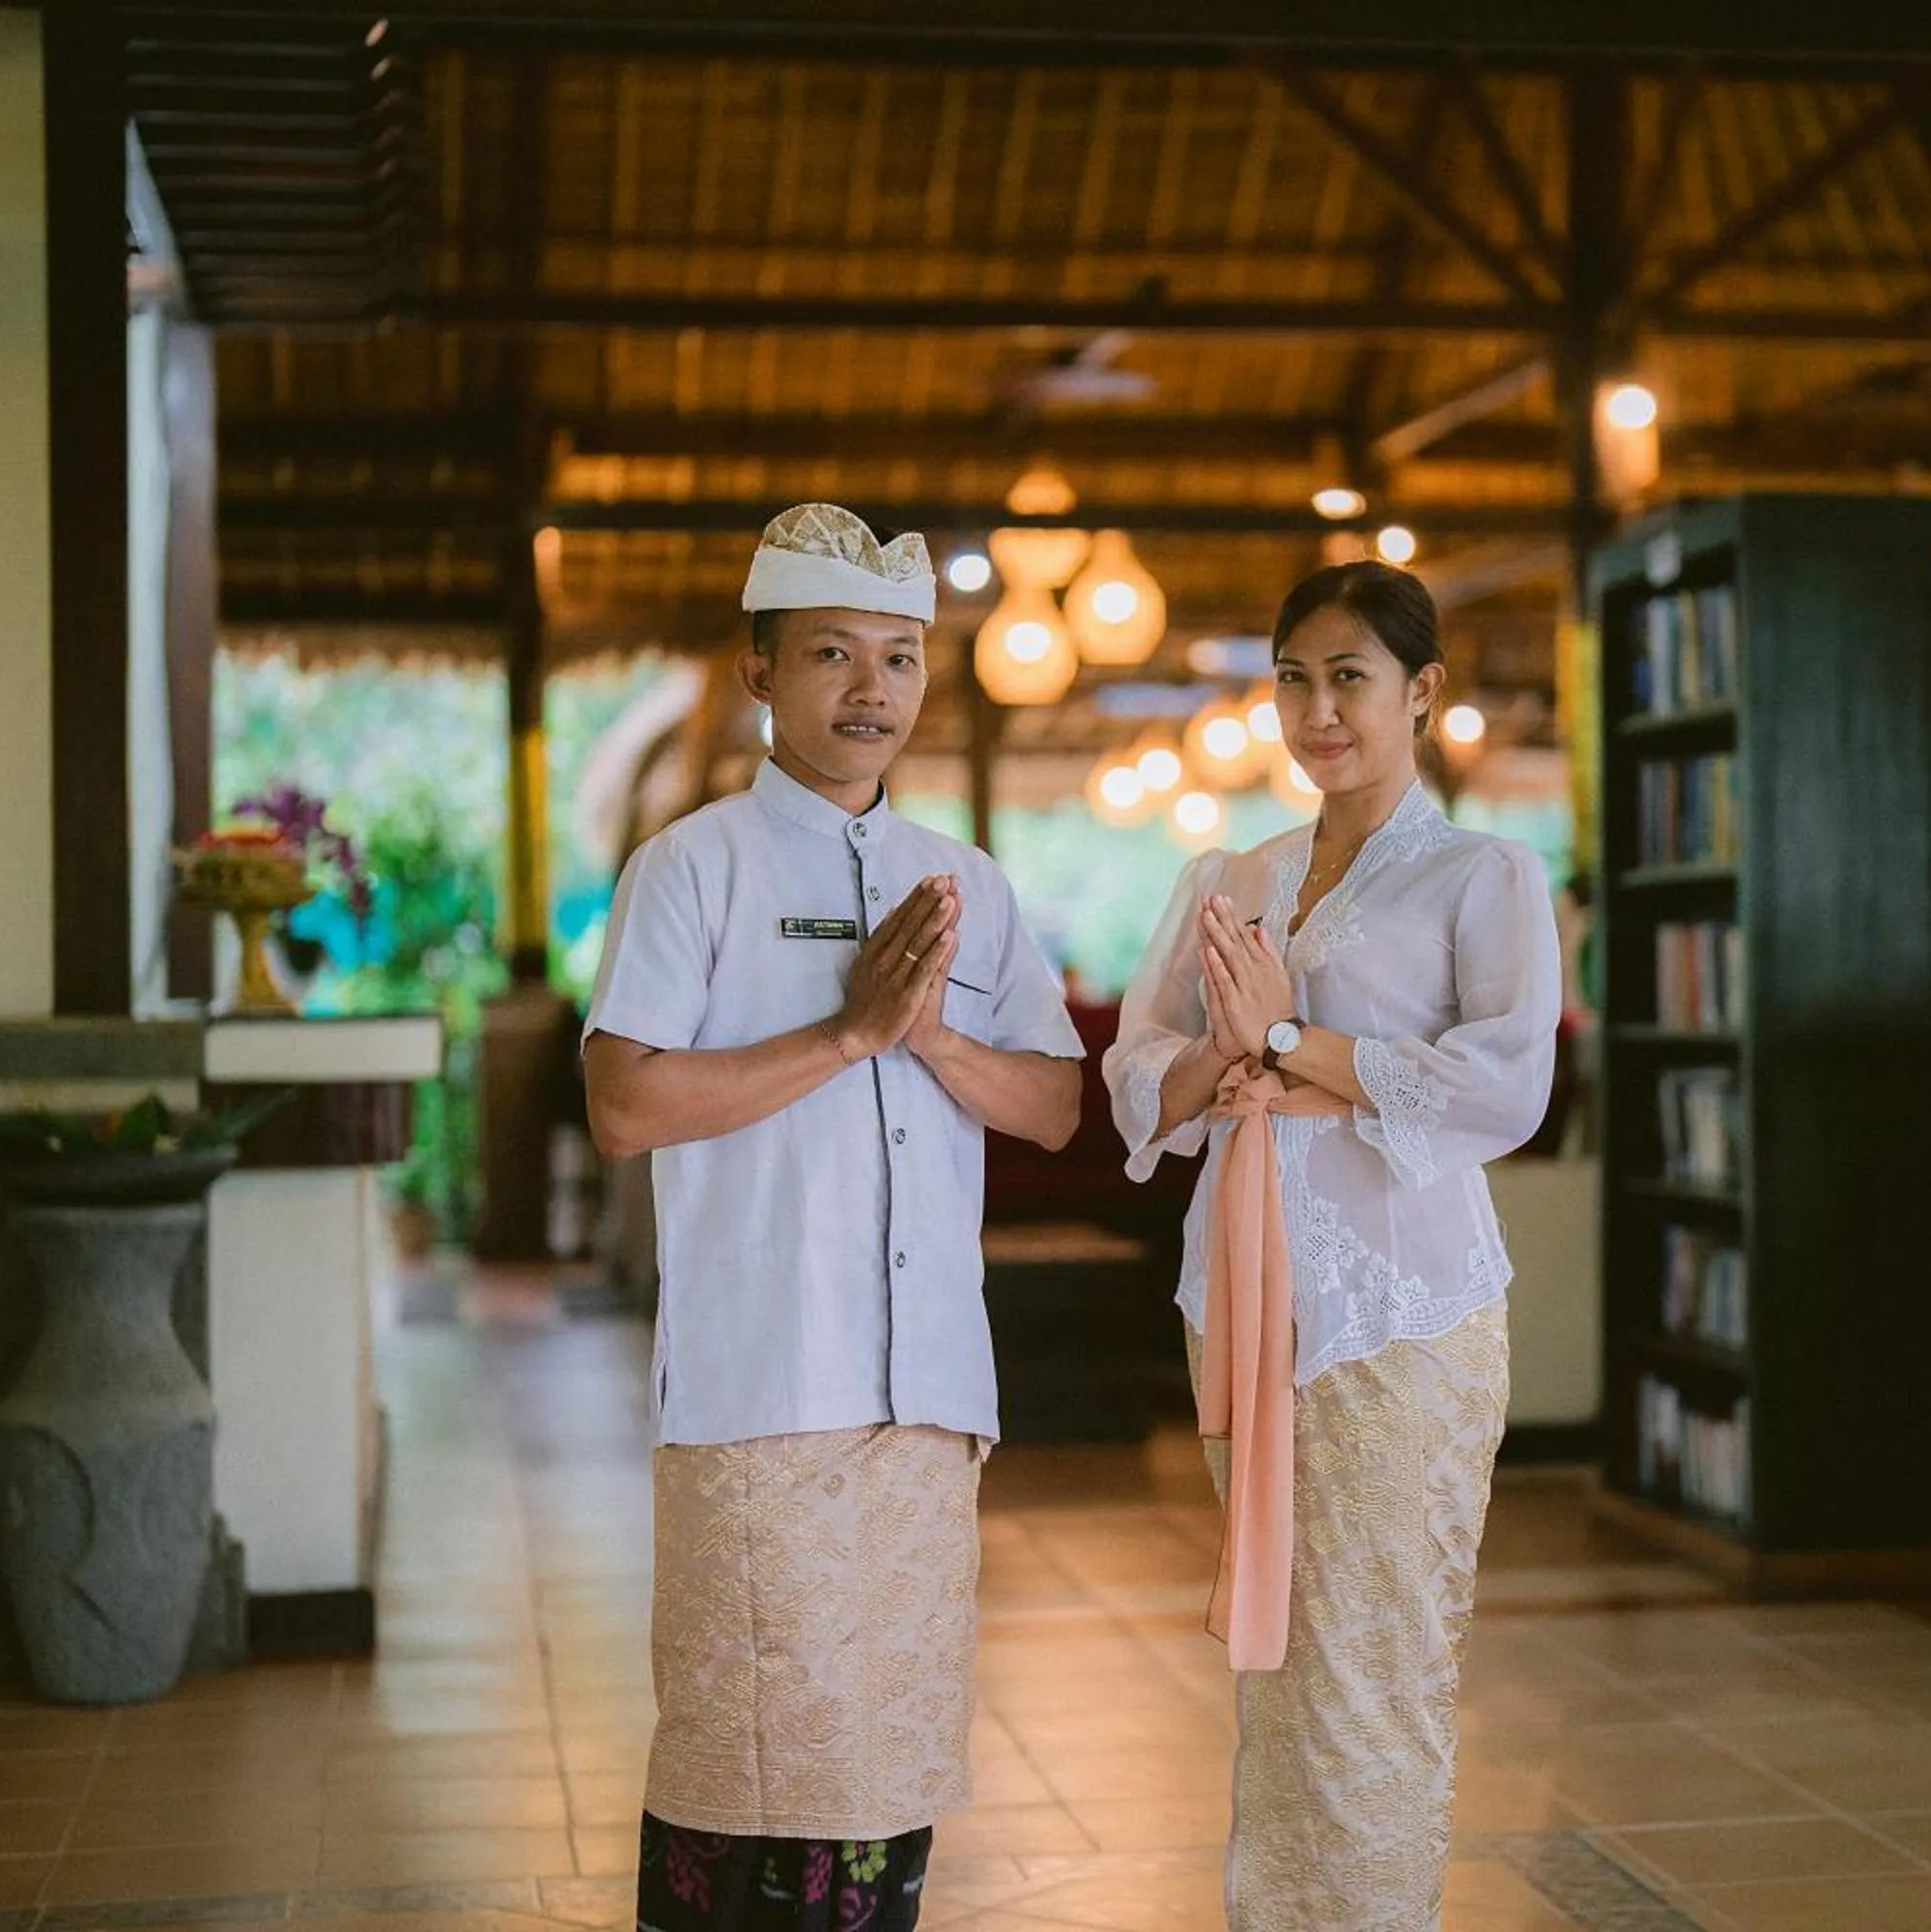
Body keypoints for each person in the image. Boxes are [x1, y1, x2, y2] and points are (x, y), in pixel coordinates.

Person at [581, 502, 1085, 1932]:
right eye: (831, 654)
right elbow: (623, 1104)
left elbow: (1051, 1107)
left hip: (927, 1396)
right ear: (758, 673)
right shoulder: (695, 868)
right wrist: (849, 1034)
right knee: (746, 1759)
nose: (872, 690)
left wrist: (931, 1042)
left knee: (889, 1765)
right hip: (763, 1390)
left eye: (901, 657)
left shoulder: (968, 885)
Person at [1106, 560, 1563, 1930]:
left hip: (1404, 1310)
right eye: (1294, 678)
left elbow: (1503, 1087)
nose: (1317, 709)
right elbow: (1141, 1073)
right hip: (1241, 1299)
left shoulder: (1486, 875)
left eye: (1349, 677)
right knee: (1288, 1664)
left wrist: (1293, 1041)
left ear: (1421, 692)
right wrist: (1224, 1066)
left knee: (1376, 1661)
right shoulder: (1232, 876)